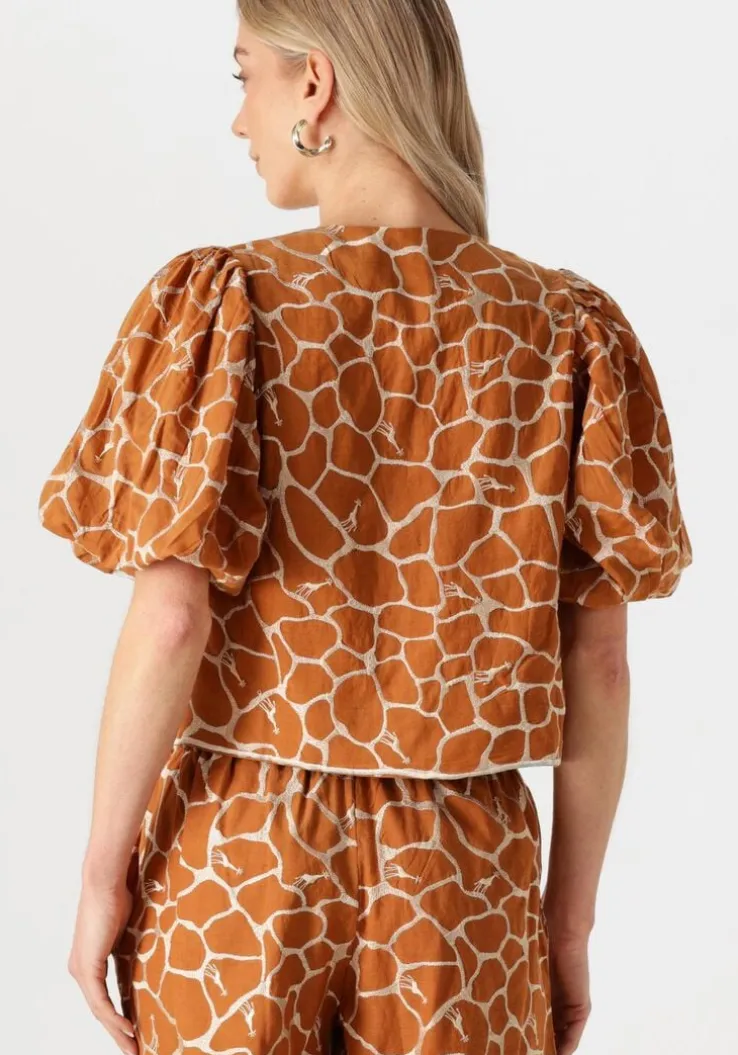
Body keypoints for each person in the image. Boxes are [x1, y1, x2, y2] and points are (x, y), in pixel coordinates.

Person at [36, 3, 694, 1055]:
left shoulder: (230, 304)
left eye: (245, 75)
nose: (239, 118)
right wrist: (567, 923)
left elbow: (170, 621)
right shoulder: (568, 331)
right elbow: (601, 662)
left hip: (241, 855)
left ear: (316, 83)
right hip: (463, 872)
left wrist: (98, 878)